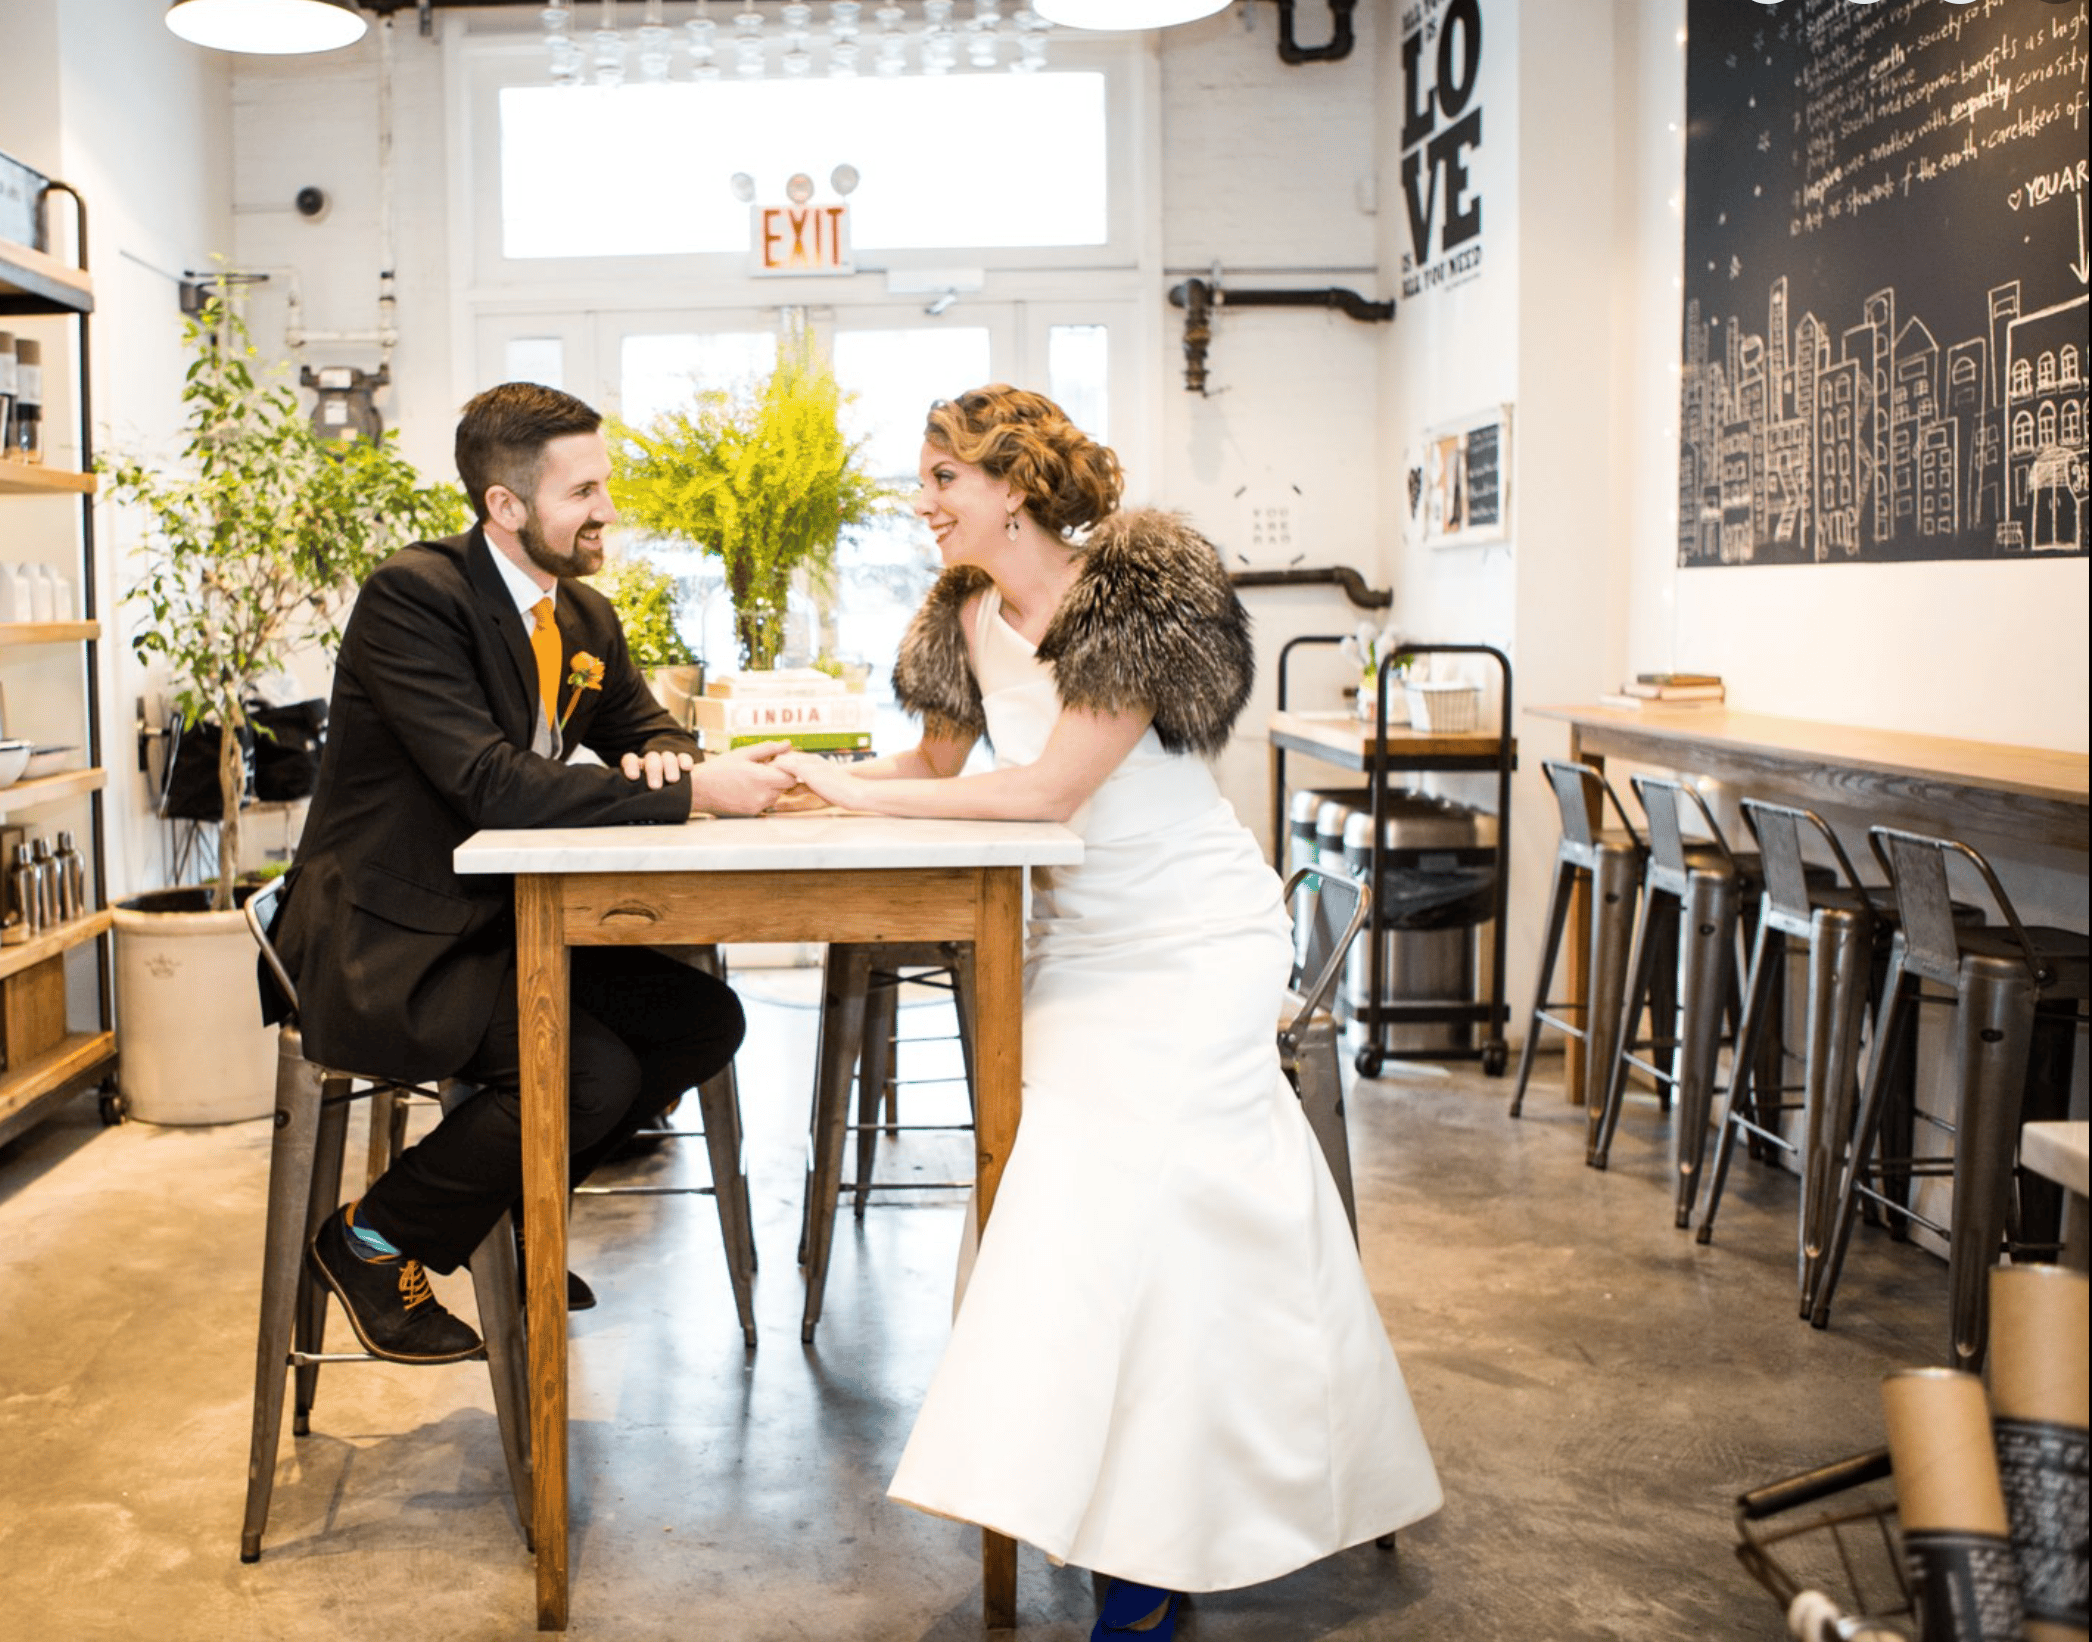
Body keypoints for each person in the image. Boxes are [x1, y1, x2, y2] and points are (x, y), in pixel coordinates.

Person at [774, 386, 1440, 1639]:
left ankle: (1152, 1552)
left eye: (940, 478)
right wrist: (791, 791)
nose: (921, 503)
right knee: (1060, 1193)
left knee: (1124, 1181)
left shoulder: (1140, 592)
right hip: (1078, 950)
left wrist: (830, 791)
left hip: (1195, 940)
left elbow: (1047, 793)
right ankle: (1110, 1513)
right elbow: (931, 772)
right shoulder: (964, 616)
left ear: (1011, 486)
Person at [263, 381, 794, 1364]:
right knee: (589, 1073)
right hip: (392, 941)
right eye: (581, 491)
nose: (606, 511)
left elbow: (648, 729)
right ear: (505, 506)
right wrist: (693, 796)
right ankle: (370, 1240)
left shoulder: (582, 616)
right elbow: (488, 783)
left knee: (702, 1022)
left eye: (605, 484)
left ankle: (503, 1217)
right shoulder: (414, 599)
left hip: (494, 928)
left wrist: (677, 761)